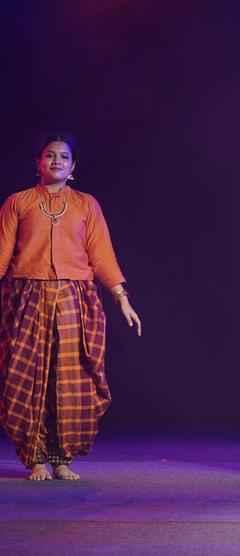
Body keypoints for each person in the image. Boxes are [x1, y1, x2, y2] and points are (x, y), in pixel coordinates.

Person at [0, 133, 142, 481]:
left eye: (64, 156)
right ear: (38, 162)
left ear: (73, 166)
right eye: (50, 155)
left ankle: (62, 457)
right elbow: (2, 252)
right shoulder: (18, 202)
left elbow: (101, 253)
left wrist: (121, 297)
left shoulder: (86, 205)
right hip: (28, 297)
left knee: (71, 377)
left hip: (74, 299)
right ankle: (35, 458)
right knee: (27, 377)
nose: (57, 161)